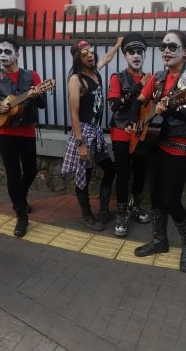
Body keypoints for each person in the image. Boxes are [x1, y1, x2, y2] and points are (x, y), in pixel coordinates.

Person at [131, 30, 186, 273]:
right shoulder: (157, 77)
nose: (166, 50)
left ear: (184, 51)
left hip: (178, 147)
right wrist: (137, 122)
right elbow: (139, 101)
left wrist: (171, 110)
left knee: (172, 200)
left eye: (172, 47)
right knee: (155, 196)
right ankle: (159, 240)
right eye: (163, 46)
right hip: (153, 144)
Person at [0, 38, 48, 237]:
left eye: (7, 51)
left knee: (31, 170)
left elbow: (42, 104)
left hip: (26, 131)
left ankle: (19, 197)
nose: (2, 55)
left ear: (17, 54)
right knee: (12, 173)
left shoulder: (31, 76)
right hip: (4, 132)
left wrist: (36, 94)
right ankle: (21, 214)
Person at [62, 38, 121, 231]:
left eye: (91, 53)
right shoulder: (75, 79)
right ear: (78, 59)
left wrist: (118, 44)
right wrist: (80, 144)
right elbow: (74, 113)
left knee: (110, 169)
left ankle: (104, 211)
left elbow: (106, 57)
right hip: (84, 133)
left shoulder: (95, 72)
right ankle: (87, 216)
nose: (90, 56)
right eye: (85, 55)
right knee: (84, 175)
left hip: (95, 132)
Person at [107, 32, 152, 237]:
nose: (136, 55)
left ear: (144, 55)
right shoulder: (117, 77)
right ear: (125, 55)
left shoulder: (152, 79)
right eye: (131, 52)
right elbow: (115, 106)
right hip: (121, 134)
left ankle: (135, 205)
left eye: (139, 52)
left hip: (142, 134)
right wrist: (139, 87)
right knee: (123, 175)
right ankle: (122, 211)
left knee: (141, 173)